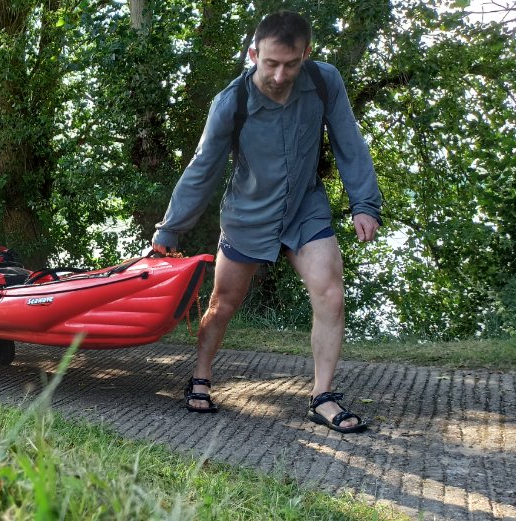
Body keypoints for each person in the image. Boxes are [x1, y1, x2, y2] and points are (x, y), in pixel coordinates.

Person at [151, 10, 381, 434]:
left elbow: (349, 140)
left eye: (290, 64)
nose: (279, 74)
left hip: (304, 208)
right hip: (248, 213)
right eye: (270, 63)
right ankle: (200, 376)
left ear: (305, 54)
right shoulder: (231, 102)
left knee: (331, 294)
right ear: (254, 53)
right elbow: (203, 167)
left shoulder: (324, 81)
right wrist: (170, 229)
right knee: (223, 304)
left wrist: (364, 203)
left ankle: (322, 398)